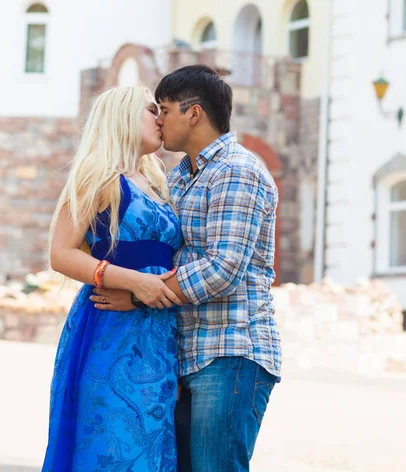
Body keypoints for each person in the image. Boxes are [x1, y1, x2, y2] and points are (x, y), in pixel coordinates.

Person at [91, 65, 282, 472]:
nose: (159, 119)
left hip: (231, 349)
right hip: (183, 352)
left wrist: (139, 292)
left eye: (164, 108)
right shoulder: (179, 176)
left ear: (193, 113)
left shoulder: (237, 169)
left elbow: (222, 267)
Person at [41, 85, 185, 472]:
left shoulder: (158, 184)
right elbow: (61, 253)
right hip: (113, 330)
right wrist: (134, 283)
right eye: (151, 110)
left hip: (161, 334)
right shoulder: (97, 175)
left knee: (153, 446)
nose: (160, 118)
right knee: (115, 444)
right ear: (122, 116)